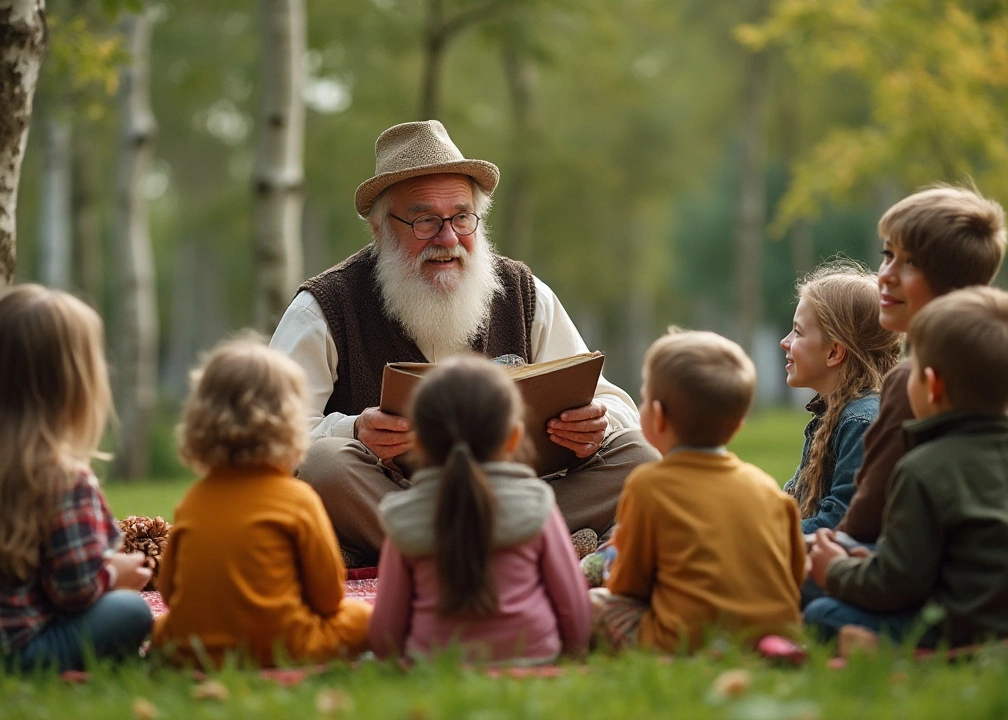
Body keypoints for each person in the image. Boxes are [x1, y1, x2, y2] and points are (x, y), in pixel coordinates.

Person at [271, 120, 658, 566]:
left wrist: (595, 426)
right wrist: (354, 430)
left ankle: (438, 554)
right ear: (379, 229)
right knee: (326, 467)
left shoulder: (522, 292)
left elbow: (617, 405)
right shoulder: (325, 306)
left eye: (461, 217)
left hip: (516, 496)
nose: (448, 238)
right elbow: (272, 434)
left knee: (639, 458)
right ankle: (529, 548)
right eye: (424, 221)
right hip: (397, 500)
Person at [805, 287, 1008, 646]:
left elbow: (899, 584)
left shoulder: (922, 468)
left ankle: (879, 643)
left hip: (965, 624)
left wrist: (836, 571)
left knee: (821, 614)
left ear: (932, 386)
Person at [0, 285, 153, 674]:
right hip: (11, 656)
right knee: (131, 611)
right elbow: (76, 591)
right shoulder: (64, 479)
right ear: (76, 387)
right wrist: (115, 574)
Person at [152, 336, 371, 667]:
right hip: (284, 647)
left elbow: (168, 591)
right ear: (290, 427)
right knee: (360, 617)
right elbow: (329, 597)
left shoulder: (193, 501)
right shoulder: (298, 500)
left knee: (158, 628)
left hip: (196, 650)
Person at [589, 330, 806, 653]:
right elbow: (795, 574)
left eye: (645, 398)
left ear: (658, 417)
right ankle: (763, 645)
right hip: (771, 629)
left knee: (594, 604)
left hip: (681, 638)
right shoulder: (769, 490)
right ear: (737, 425)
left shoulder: (647, 486)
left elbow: (627, 584)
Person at [367, 356, 591, 663]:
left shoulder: (403, 516)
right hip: (534, 656)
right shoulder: (537, 503)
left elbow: (386, 636)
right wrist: (574, 653)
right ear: (514, 437)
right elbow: (575, 610)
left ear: (416, 443)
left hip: (432, 664)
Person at [837, 184, 1008, 543]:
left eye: (911, 263)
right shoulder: (994, 370)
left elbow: (865, 520)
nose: (885, 274)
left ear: (955, 285)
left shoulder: (914, 380)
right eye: (888, 255)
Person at [780, 262, 902, 534]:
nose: (785, 342)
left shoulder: (861, 422)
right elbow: (793, 502)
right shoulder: (835, 415)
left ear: (835, 353)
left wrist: (768, 537)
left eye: (798, 332)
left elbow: (839, 522)